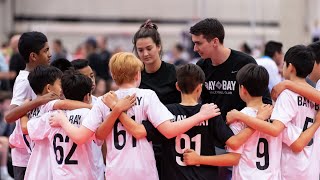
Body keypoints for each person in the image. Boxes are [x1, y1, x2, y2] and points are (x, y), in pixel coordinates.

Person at [49, 52, 221, 180]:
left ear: (113, 76)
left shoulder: (104, 100)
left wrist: (63, 120)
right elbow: (169, 131)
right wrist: (199, 116)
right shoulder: (147, 95)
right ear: (138, 74)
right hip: (143, 171)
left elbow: (96, 137)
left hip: (116, 171)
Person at [110, 64, 259, 180]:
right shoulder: (211, 112)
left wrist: (117, 110)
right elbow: (234, 145)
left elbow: (138, 130)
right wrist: (256, 121)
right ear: (200, 87)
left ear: (177, 86)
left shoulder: (164, 112)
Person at [190, 18, 272, 179]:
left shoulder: (244, 62)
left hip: (243, 140)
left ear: (214, 41)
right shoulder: (201, 67)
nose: (195, 48)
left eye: (199, 43)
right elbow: (201, 103)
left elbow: (265, 104)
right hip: (214, 139)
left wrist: (241, 120)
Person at [227, 45, 320, 179]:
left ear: (290, 67)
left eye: (284, 64)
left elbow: (276, 130)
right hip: (312, 166)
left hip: (291, 168)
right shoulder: (315, 95)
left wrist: (239, 115)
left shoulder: (287, 95)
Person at [27, 69, 96, 179]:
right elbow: (100, 137)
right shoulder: (89, 114)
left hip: (60, 176)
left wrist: (24, 111)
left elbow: (29, 129)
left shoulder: (51, 115)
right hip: (84, 176)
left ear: (63, 93)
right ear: (87, 96)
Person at [132, 19, 181, 176]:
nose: (145, 54)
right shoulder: (135, 77)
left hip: (171, 141)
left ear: (158, 47)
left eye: (149, 48)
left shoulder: (175, 73)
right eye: (140, 50)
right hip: (145, 142)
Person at [4, 31, 52, 180]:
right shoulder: (24, 80)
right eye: (46, 50)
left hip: (36, 151)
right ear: (33, 56)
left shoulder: (40, 76)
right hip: (25, 156)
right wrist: (39, 100)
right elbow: (9, 116)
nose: (50, 54)